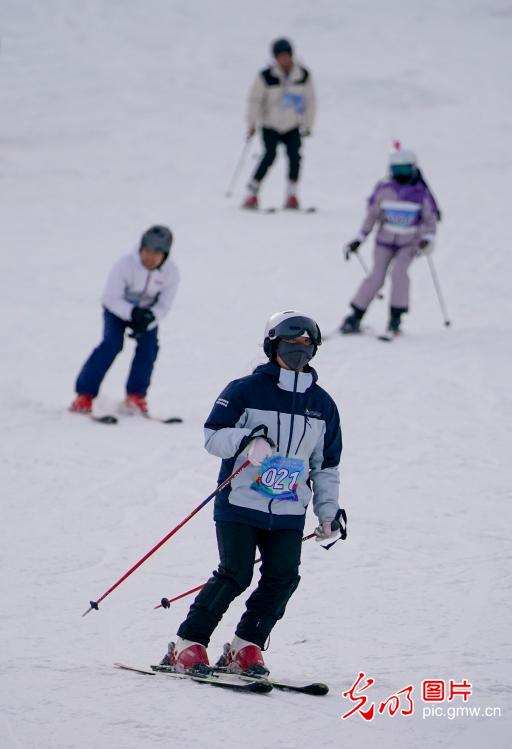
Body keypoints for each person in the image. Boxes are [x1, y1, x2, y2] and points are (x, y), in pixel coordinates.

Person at [161, 311, 346, 675]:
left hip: (290, 509)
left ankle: (245, 646)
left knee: (283, 577)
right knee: (235, 573)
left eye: (308, 343)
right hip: (240, 503)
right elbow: (213, 436)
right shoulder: (244, 390)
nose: (299, 349)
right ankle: (188, 643)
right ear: (273, 344)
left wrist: (328, 512)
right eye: (292, 341)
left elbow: (325, 467)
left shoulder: (323, 405)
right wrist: (247, 442)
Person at [69, 225, 179, 416]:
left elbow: (164, 306)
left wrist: (149, 318)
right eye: (147, 251)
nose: (150, 257)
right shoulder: (124, 265)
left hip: (146, 316)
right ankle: (84, 395)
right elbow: (110, 298)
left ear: (165, 255)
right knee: (112, 344)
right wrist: (132, 313)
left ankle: (136, 396)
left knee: (149, 347)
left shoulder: (171, 273)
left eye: (157, 253)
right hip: (117, 311)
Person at [340, 148, 441, 334]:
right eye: (396, 171)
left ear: (413, 170)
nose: (399, 175)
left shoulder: (420, 194)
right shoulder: (385, 190)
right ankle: (355, 315)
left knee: (399, 274)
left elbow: (430, 221)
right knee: (376, 277)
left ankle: (395, 318)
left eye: (404, 171)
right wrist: (360, 238)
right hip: (384, 242)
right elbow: (372, 217)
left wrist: (426, 239)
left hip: (408, 243)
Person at [242, 38, 316, 211]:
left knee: (295, 157)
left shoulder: (302, 75)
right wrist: (251, 123)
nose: (283, 60)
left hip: (292, 124)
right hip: (270, 124)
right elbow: (255, 100)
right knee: (269, 156)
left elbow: (310, 101)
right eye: (279, 56)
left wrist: (308, 124)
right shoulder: (267, 76)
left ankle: (292, 194)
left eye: (286, 56)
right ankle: (252, 192)